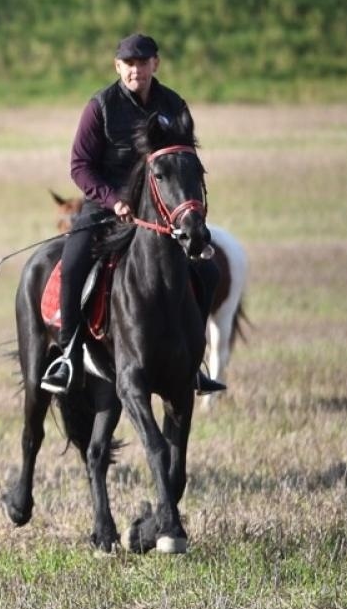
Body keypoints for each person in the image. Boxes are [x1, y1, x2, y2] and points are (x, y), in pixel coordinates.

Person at [40, 33, 225, 395]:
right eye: (128, 63)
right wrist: (114, 201)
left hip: (160, 214)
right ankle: (69, 356)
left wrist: (187, 206)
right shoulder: (101, 107)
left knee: (209, 270)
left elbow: (185, 160)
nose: (135, 69)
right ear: (117, 66)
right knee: (73, 264)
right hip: (105, 209)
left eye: (142, 62)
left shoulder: (174, 105)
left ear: (155, 64)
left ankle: (193, 360)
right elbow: (80, 166)